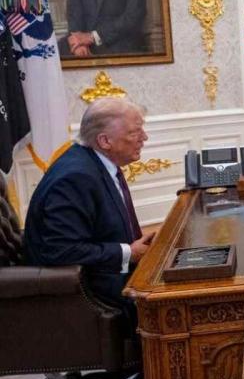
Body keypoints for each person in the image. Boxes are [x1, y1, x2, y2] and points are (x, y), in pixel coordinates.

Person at [24, 98, 155, 329]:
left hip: (112, 275)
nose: (144, 137)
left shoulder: (97, 163)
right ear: (105, 141)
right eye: (135, 132)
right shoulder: (75, 177)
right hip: (91, 293)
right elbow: (61, 250)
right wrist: (129, 252)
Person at [63, 0, 147, 57]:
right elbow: (73, 13)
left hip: (120, 46)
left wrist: (93, 36)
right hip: (84, 48)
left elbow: (134, 16)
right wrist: (77, 43)